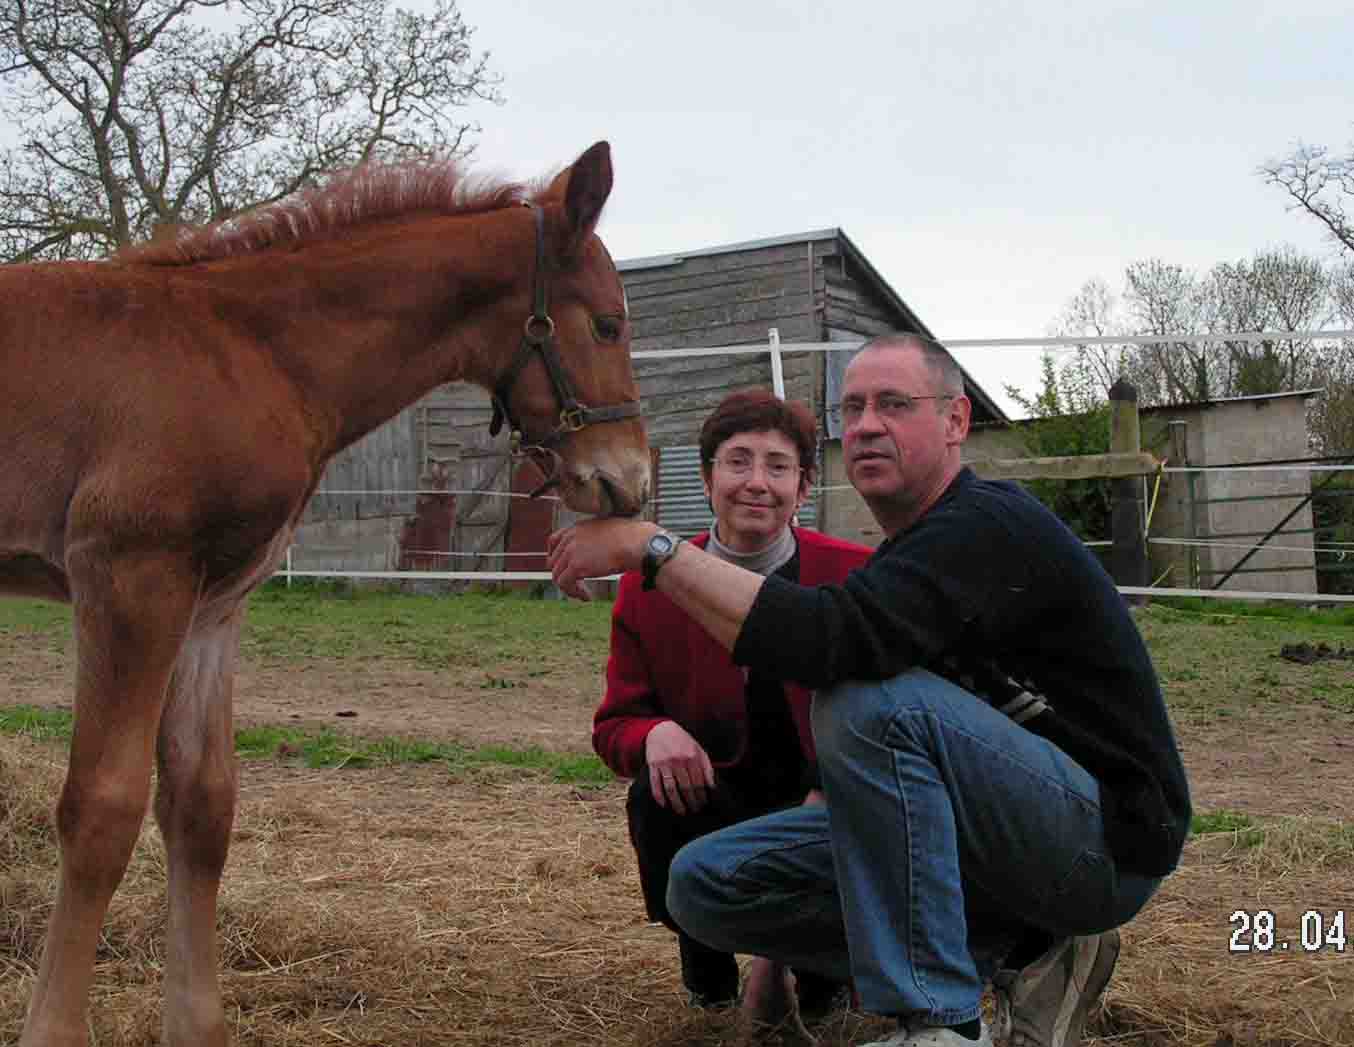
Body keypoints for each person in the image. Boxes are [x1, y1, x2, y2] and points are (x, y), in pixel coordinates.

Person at [548, 334, 1192, 1047]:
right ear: (707, 479)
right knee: (704, 880)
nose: (865, 425)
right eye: (851, 409)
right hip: (983, 843)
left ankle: (942, 1023)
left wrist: (652, 548)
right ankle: (1023, 952)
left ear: (955, 421)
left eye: (893, 404)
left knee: (862, 699)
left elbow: (831, 641)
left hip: (1104, 844)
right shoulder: (903, 557)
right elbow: (624, 718)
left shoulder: (987, 524)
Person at [593, 388, 872, 1027]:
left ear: (803, 489)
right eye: (737, 461)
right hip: (715, 791)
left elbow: (888, 708)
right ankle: (707, 967)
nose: (757, 482)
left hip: (823, 798)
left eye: (778, 467)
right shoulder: (646, 588)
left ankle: (816, 970)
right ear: (706, 477)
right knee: (655, 798)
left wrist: (832, 785)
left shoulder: (853, 574)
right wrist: (653, 733)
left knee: (860, 814)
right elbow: (614, 725)